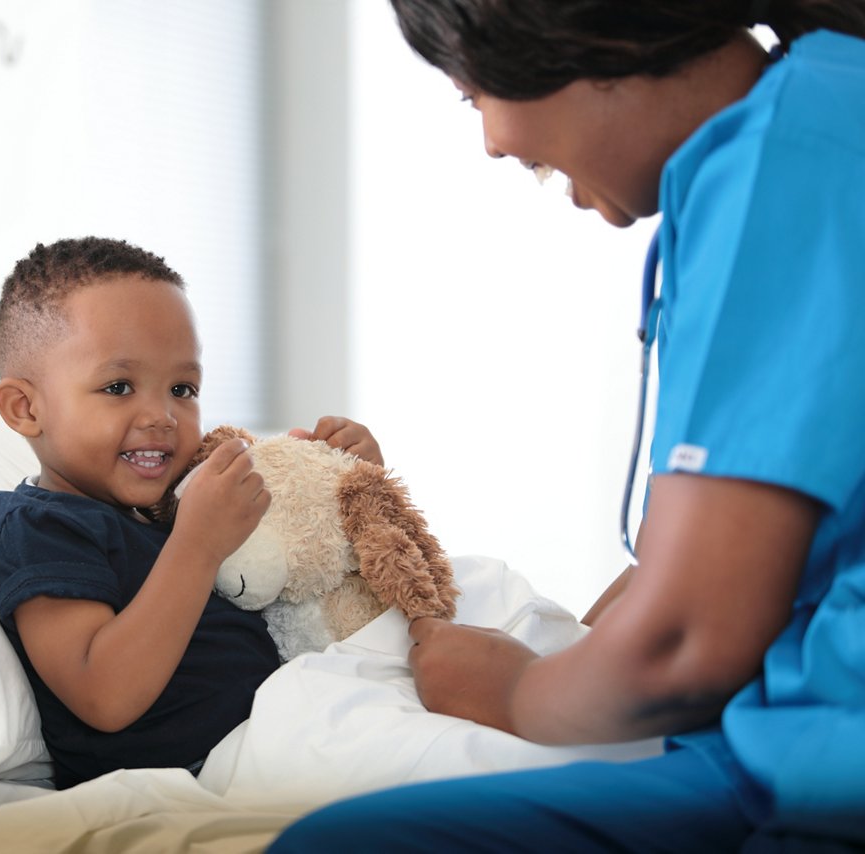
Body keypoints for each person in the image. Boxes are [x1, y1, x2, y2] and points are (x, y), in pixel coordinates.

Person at [271, 1, 865, 851]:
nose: (492, 142)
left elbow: (685, 643)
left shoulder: (784, 164)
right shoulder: (799, 126)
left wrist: (520, 691)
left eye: (472, 95)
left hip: (824, 769)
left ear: (582, 37)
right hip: (782, 738)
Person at [0, 236, 379, 789]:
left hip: (295, 719)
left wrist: (346, 489)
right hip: (199, 771)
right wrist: (197, 545)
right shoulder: (36, 525)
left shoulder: (182, 500)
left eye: (182, 388)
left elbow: (308, 575)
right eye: (119, 387)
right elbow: (104, 694)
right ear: (26, 408)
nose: (162, 415)